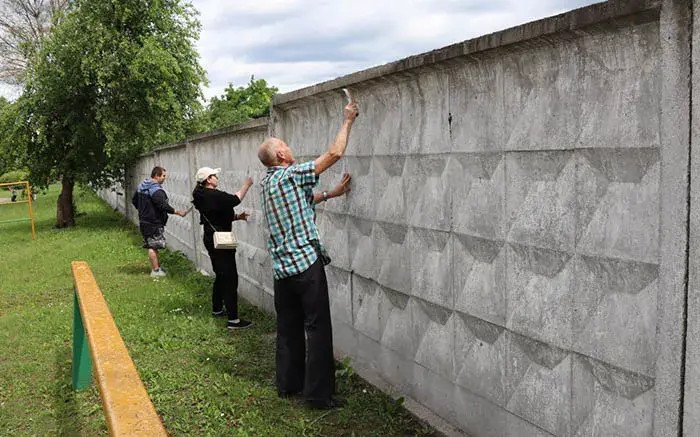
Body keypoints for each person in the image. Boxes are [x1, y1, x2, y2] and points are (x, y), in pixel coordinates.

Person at [257, 97, 358, 410]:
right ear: (282, 154)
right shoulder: (291, 173)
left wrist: (330, 193)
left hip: (282, 271)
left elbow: (301, 201)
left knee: (288, 327)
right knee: (317, 327)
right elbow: (334, 154)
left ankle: (288, 384)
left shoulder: (267, 184)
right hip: (305, 266)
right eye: (286, 145)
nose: (290, 148)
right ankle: (317, 396)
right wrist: (348, 120)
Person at [192, 167, 254, 330]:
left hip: (210, 238)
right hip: (220, 242)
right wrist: (246, 185)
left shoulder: (202, 195)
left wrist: (236, 217)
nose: (217, 177)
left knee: (221, 274)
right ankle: (233, 320)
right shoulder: (214, 195)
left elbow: (216, 216)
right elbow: (235, 199)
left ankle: (217, 308)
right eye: (214, 176)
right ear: (208, 180)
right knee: (229, 277)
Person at [131, 166, 187, 278]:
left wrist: (143, 210)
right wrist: (177, 212)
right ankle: (156, 272)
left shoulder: (142, 186)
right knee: (152, 246)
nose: (164, 178)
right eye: (163, 176)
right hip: (153, 222)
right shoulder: (156, 190)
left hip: (144, 220)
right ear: (157, 175)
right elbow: (163, 205)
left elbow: (134, 201)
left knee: (153, 244)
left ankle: (157, 267)